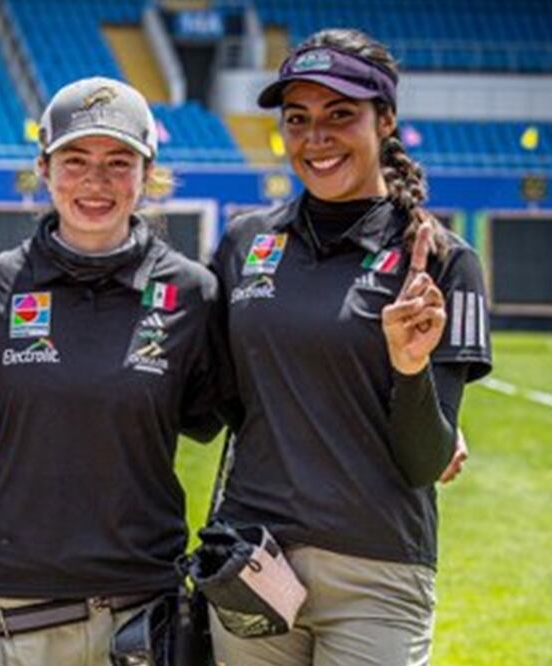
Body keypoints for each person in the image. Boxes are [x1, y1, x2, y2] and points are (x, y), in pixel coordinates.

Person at [207, 29, 492, 665]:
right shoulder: (242, 244)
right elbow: (211, 397)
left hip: (377, 570)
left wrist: (410, 369)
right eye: (298, 119)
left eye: (341, 115)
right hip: (253, 561)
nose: (316, 138)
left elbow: (425, 462)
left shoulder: (443, 261)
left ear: (385, 120)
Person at [0, 77, 225, 665]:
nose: (95, 182)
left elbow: (219, 415)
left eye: (119, 162)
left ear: (148, 173)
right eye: (75, 160)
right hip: (10, 599)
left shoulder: (192, 293)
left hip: (141, 603)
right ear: (44, 167)